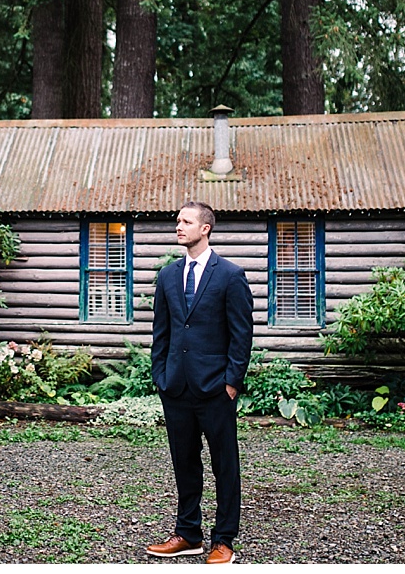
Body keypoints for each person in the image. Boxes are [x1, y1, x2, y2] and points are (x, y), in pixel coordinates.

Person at [146, 202, 253, 564]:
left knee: (225, 465)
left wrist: (232, 383)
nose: (178, 226)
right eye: (177, 221)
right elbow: (161, 333)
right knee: (184, 463)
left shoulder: (230, 275)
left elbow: (242, 335)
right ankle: (188, 534)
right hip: (176, 387)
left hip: (215, 389)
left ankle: (224, 540)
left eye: (186, 221)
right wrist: (160, 375)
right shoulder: (168, 276)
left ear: (205, 228)